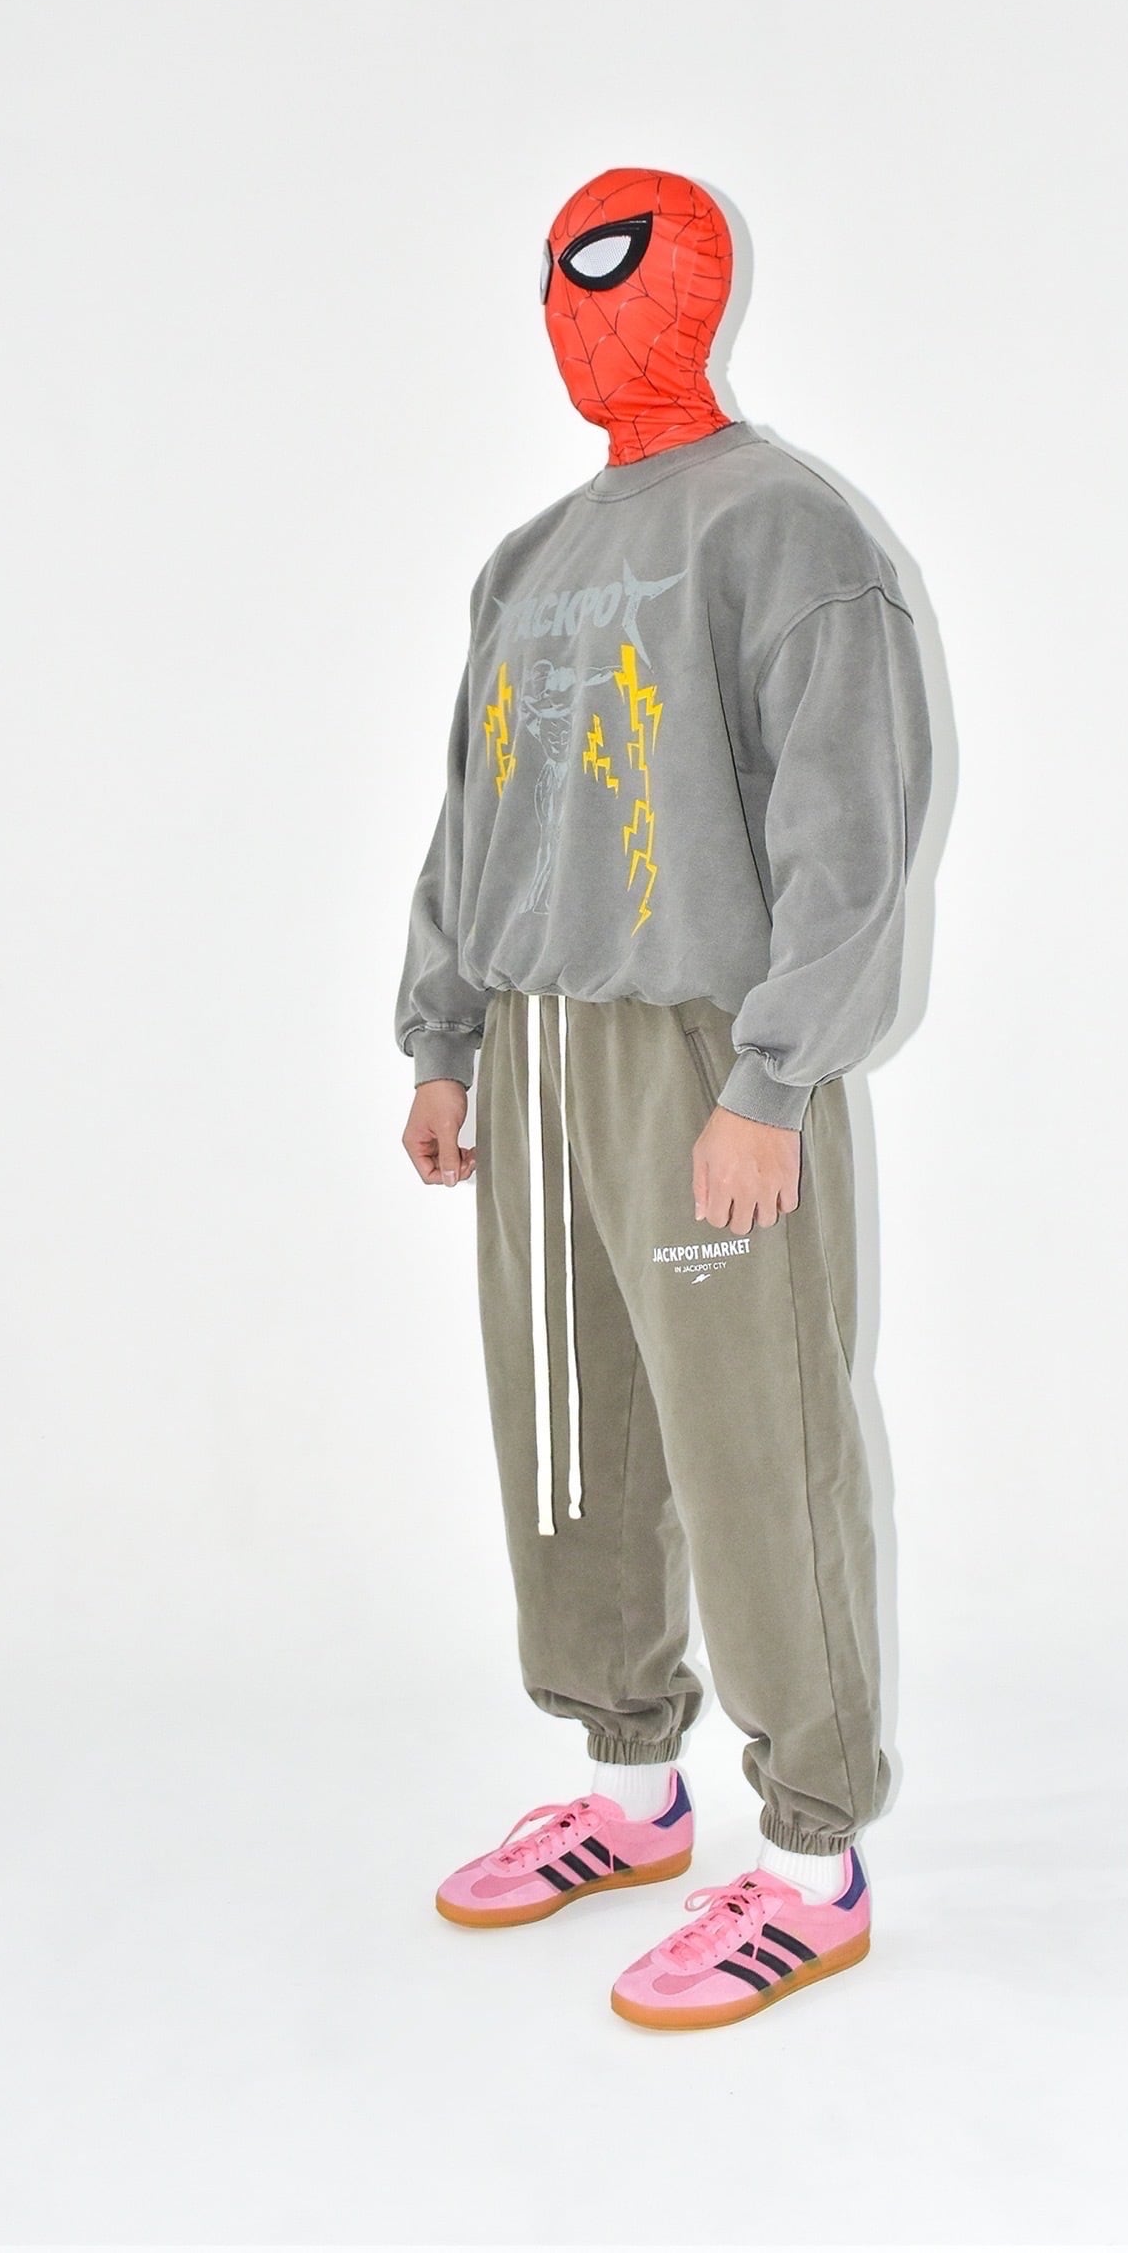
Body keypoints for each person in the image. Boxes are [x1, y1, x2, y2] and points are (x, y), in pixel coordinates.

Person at [395, 164, 932, 2030]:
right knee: (575, 1437)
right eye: (559, 278)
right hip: (538, 1045)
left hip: (705, 1053)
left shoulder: (787, 528)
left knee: (754, 1438)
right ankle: (631, 1796)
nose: (583, 312)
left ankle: (813, 1861)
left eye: (614, 271)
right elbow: (477, 811)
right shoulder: (529, 558)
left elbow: (853, 828)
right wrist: (444, 1034)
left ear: (695, 285)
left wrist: (773, 1077)